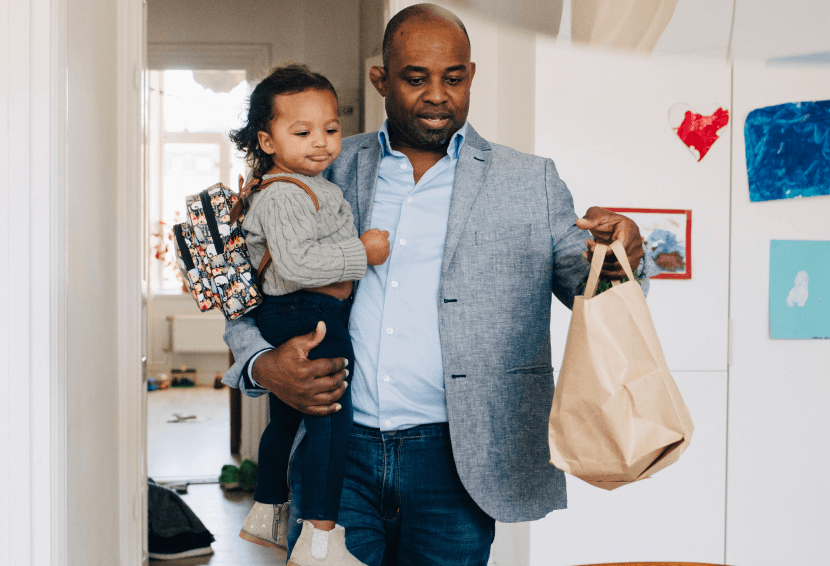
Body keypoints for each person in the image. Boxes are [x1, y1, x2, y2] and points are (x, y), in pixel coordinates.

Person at [221, 5, 652, 564]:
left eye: (453, 78)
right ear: (381, 79)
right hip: (336, 451)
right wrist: (261, 365)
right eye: (415, 78)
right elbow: (245, 285)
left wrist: (622, 255)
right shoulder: (325, 167)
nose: (437, 95)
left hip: (460, 460)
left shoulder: (529, 181)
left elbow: (593, 295)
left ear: (470, 76)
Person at [229, 64, 391, 566]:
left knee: (287, 417)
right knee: (330, 418)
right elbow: (298, 262)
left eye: (330, 129)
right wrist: (363, 253)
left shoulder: (305, 184)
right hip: (307, 312)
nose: (320, 143)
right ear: (268, 140)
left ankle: (268, 511)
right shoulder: (283, 193)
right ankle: (321, 538)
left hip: (299, 309)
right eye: (302, 132)